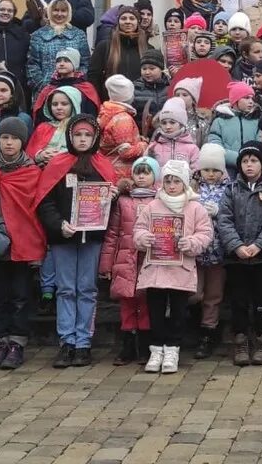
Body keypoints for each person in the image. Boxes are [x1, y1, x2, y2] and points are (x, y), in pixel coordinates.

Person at [37, 114, 116, 368]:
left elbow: (108, 208)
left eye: (87, 135)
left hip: (91, 238)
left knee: (87, 290)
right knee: (66, 289)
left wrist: (111, 196)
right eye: (78, 135)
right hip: (64, 238)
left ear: (95, 138)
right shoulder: (57, 164)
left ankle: (83, 342)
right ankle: (66, 342)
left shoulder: (103, 165)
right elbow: (45, 202)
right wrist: (59, 225)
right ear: (70, 137)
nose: (82, 140)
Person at [129, 158, 210, 374]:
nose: (172, 186)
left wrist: (191, 243)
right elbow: (138, 230)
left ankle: (172, 349)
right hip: (155, 269)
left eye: (176, 181)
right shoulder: (152, 206)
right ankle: (156, 349)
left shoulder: (195, 208)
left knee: (178, 311)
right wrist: (144, 238)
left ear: (184, 183)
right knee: (155, 311)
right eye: (168, 182)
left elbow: (205, 233)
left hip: (180, 270)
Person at [0, 117, 42, 371]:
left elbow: (35, 210)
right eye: (5, 138)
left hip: (23, 243)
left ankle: (17, 342)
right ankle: (0, 341)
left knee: (21, 296)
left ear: (22, 142)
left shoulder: (32, 172)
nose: (9, 143)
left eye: (14, 138)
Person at [216, 141, 262, 366]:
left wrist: (260, 245)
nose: (249, 165)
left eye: (254, 161)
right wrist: (236, 245)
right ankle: (241, 339)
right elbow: (224, 219)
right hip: (236, 257)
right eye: (245, 161)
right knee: (238, 299)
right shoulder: (231, 189)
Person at [99, 156, 158, 366]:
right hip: (125, 259)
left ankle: (144, 345)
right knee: (127, 303)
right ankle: (127, 344)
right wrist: (106, 264)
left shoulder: (158, 201)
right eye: (138, 172)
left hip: (149, 260)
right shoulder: (123, 201)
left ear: (154, 176)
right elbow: (113, 234)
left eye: (147, 172)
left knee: (146, 303)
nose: (141, 176)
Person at [191, 145, 230, 360]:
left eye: (215, 170)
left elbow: (233, 212)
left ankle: (208, 332)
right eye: (207, 170)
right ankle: (193, 323)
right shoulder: (192, 187)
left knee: (214, 295)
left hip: (218, 251)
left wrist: (219, 211)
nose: (211, 174)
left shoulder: (229, 188)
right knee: (195, 293)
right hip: (195, 253)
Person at [26, 0, 92, 93]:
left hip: (74, 90)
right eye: (56, 10)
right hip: (44, 91)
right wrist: (43, 86)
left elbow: (85, 63)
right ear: (49, 12)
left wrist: (76, 83)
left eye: (63, 11)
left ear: (68, 12)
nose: (59, 14)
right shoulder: (38, 35)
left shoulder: (79, 35)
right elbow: (32, 65)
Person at [87, 5, 147, 96]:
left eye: (132, 18)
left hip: (139, 101)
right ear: (118, 22)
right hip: (110, 102)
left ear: (138, 22)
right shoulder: (104, 47)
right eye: (123, 18)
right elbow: (93, 76)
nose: (127, 22)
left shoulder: (147, 49)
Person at [30, 47, 100, 118]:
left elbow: (92, 113)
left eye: (66, 61)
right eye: (58, 61)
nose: (61, 64)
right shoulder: (49, 88)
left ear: (75, 64)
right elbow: (40, 114)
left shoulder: (86, 88)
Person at [207, 82, 262, 171]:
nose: (251, 101)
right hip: (227, 169)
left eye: (252, 98)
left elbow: (261, 144)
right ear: (235, 101)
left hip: (251, 168)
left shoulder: (256, 121)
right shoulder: (219, 121)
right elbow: (215, 145)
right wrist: (238, 158)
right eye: (246, 98)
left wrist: (249, 160)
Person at [0, 0, 31, 87]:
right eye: (2, 9)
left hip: (19, 84)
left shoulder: (23, 34)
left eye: (10, 10)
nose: (6, 13)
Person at [147, 98, 201, 171]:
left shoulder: (192, 149)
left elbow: (196, 172)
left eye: (172, 122)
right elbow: (147, 170)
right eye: (164, 123)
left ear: (181, 124)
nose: (167, 127)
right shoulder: (153, 147)